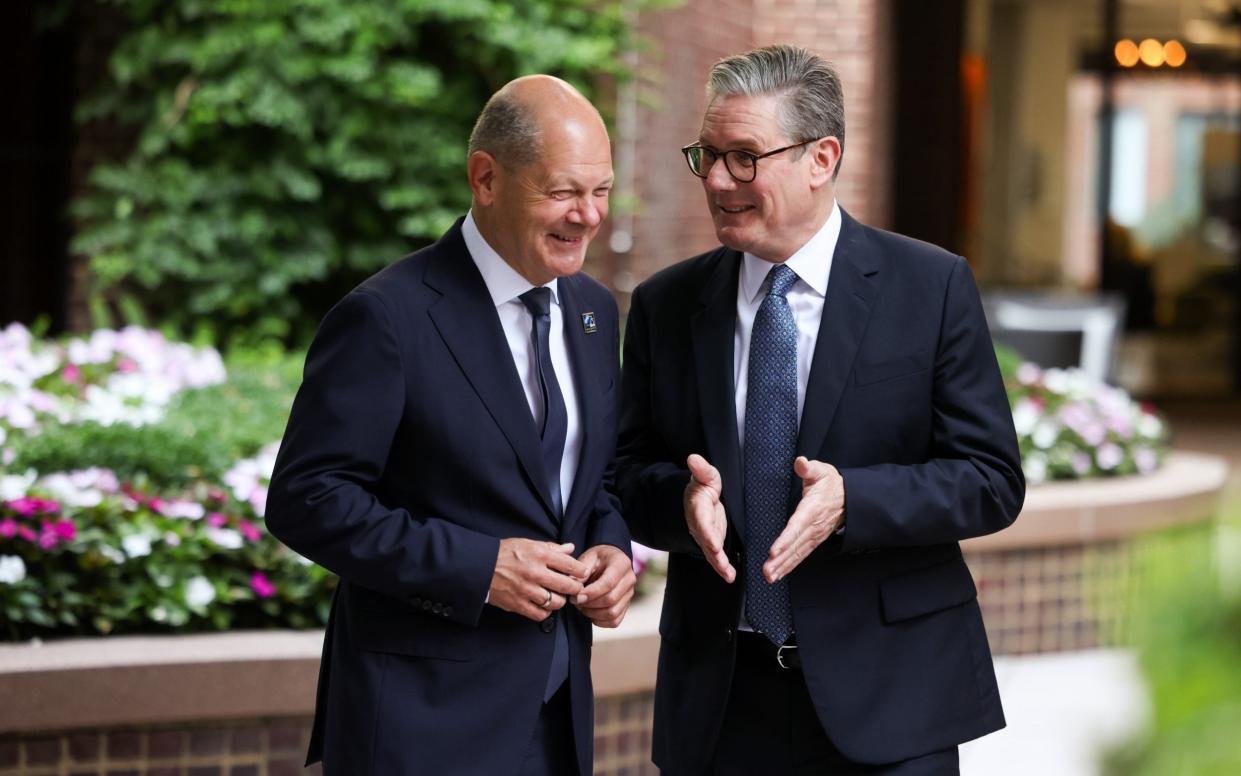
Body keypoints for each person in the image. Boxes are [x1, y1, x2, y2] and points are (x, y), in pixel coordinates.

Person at [615, 45, 1025, 775]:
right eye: (706, 155)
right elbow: (624, 474)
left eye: (743, 157)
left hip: (893, 695)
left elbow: (990, 480)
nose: (715, 179)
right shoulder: (666, 305)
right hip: (720, 701)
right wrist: (679, 501)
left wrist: (852, 499)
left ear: (820, 157)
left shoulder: (928, 286)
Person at [265, 74, 636, 776]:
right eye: (563, 192)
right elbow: (307, 500)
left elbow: (596, 478)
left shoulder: (593, 311)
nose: (588, 216)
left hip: (556, 719)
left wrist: (612, 548)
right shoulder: (385, 317)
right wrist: (479, 568)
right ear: (485, 179)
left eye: (601, 191)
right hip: (419, 724)